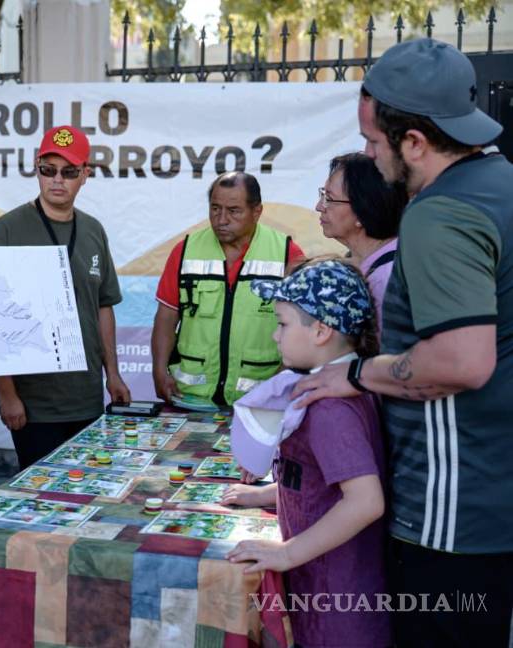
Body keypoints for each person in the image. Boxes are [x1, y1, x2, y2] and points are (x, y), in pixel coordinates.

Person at [293, 38, 513, 647]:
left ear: (414, 141)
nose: (369, 155)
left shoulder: (441, 212)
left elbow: (463, 361)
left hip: (452, 514)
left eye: (373, 142)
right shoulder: (500, 183)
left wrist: (359, 373)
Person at [223, 259, 390, 647]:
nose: (274, 336)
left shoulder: (330, 409)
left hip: (339, 609)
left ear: (320, 330)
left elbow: (366, 501)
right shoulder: (325, 389)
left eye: (282, 323)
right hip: (318, 593)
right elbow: (322, 479)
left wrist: (286, 553)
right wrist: (268, 494)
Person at [0, 125, 130, 469]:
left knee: (84, 495)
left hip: (87, 398)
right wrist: (7, 394)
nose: (57, 180)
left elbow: (103, 306)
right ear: (37, 169)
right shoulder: (6, 230)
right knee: (38, 507)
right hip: (33, 405)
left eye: (68, 172)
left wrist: (114, 375)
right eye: (47, 170)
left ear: (85, 175)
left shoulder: (93, 230)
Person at [151, 171, 304, 407]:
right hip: (190, 398)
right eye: (215, 208)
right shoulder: (184, 251)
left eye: (233, 211)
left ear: (257, 212)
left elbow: (302, 328)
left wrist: (280, 383)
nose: (221, 219)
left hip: (260, 400)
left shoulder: (287, 254)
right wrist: (159, 369)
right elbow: (166, 317)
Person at [316, 152, 408, 333]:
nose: (319, 206)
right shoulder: (366, 264)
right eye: (322, 194)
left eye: (329, 198)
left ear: (362, 210)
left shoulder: (386, 281)